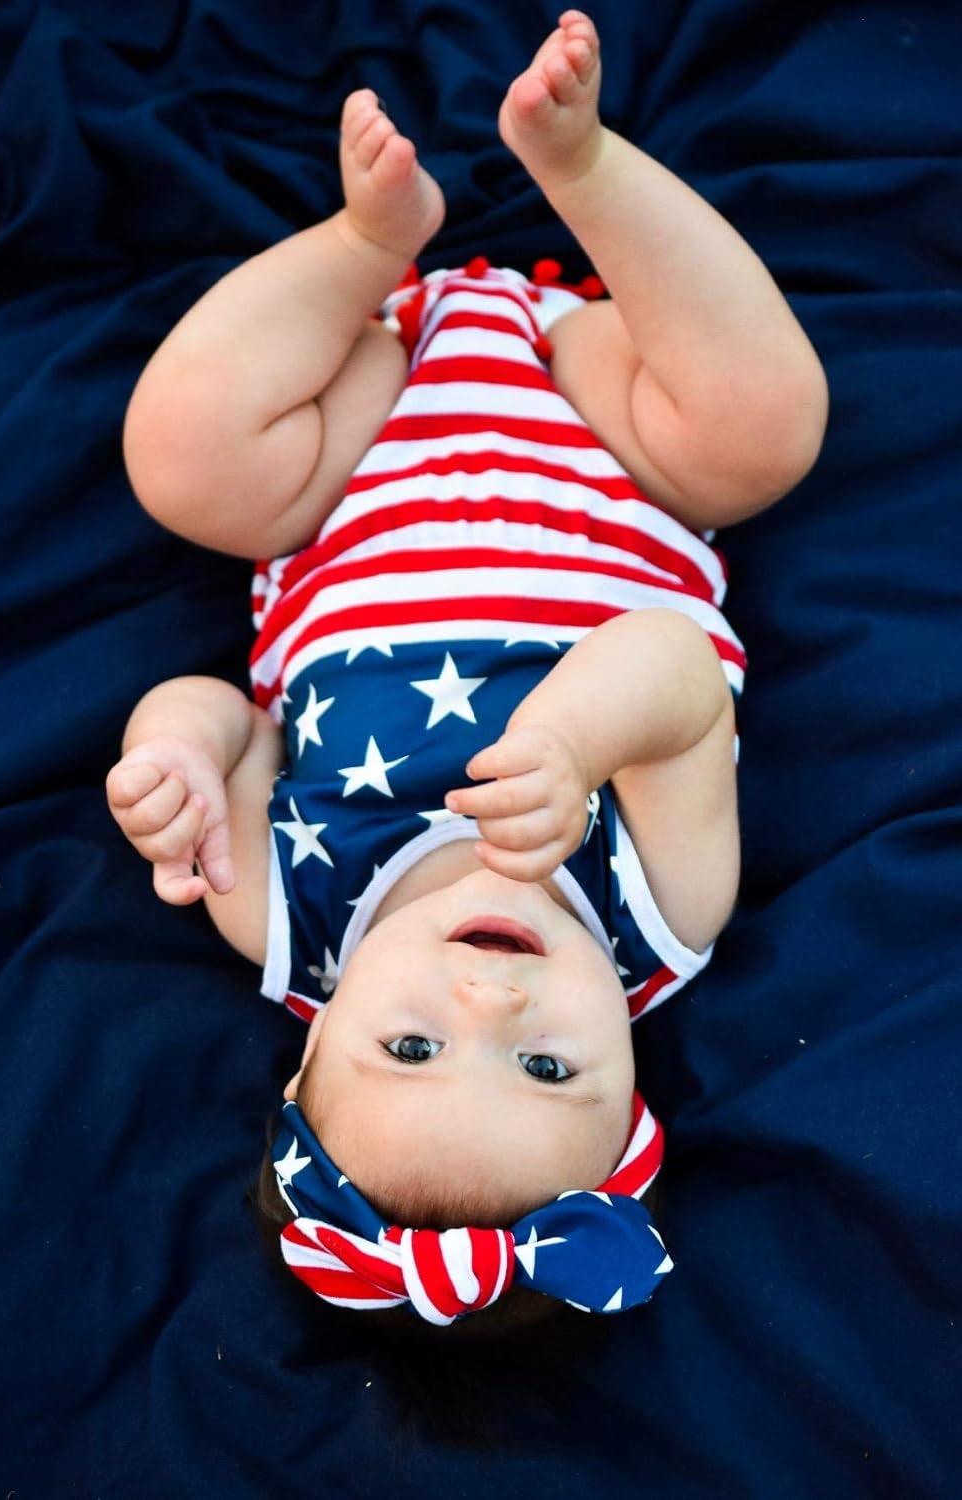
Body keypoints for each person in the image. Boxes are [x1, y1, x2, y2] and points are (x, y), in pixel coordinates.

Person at [106, 10, 827, 1329]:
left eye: (413, 1048)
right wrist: (572, 741)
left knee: (181, 461)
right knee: (764, 427)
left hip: (356, 438)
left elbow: (229, 713)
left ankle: (362, 243)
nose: (491, 1000)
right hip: (606, 419)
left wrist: (177, 764)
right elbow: (672, 672)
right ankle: (587, 166)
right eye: (552, 1066)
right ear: (630, 1076)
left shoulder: (281, 918)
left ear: (315, 1041)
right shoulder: (660, 915)